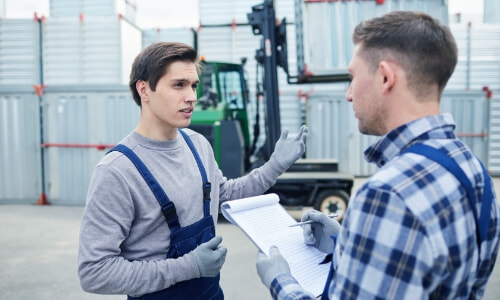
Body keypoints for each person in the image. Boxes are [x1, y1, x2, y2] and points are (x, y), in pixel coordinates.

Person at [256, 10, 500, 299]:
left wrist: (281, 281)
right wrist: (345, 241)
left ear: (385, 77)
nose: (348, 94)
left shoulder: (386, 195)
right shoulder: (474, 173)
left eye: (352, 77)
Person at [77, 41, 308, 299]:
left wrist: (275, 165)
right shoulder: (117, 172)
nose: (192, 97)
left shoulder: (197, 144)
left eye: (194, 85)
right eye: (179, 85)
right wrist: (189, 267)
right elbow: (94, 271)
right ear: (144, 89)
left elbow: (227, 195)